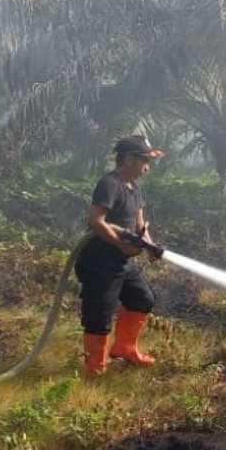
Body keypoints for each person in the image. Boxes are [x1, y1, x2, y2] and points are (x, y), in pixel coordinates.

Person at [76, 135, 165, 377]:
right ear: (128, 159)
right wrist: (120, 244)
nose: (147, 167)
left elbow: (140, 224)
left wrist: (150, 246)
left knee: (142, 299)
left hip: (121, 262)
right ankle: (95, 369)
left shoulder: (134, 188)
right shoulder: (109, 184)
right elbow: (96, 221)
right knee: (100, 314)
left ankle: (125, 348)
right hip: (99, 262)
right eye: (144, 160)